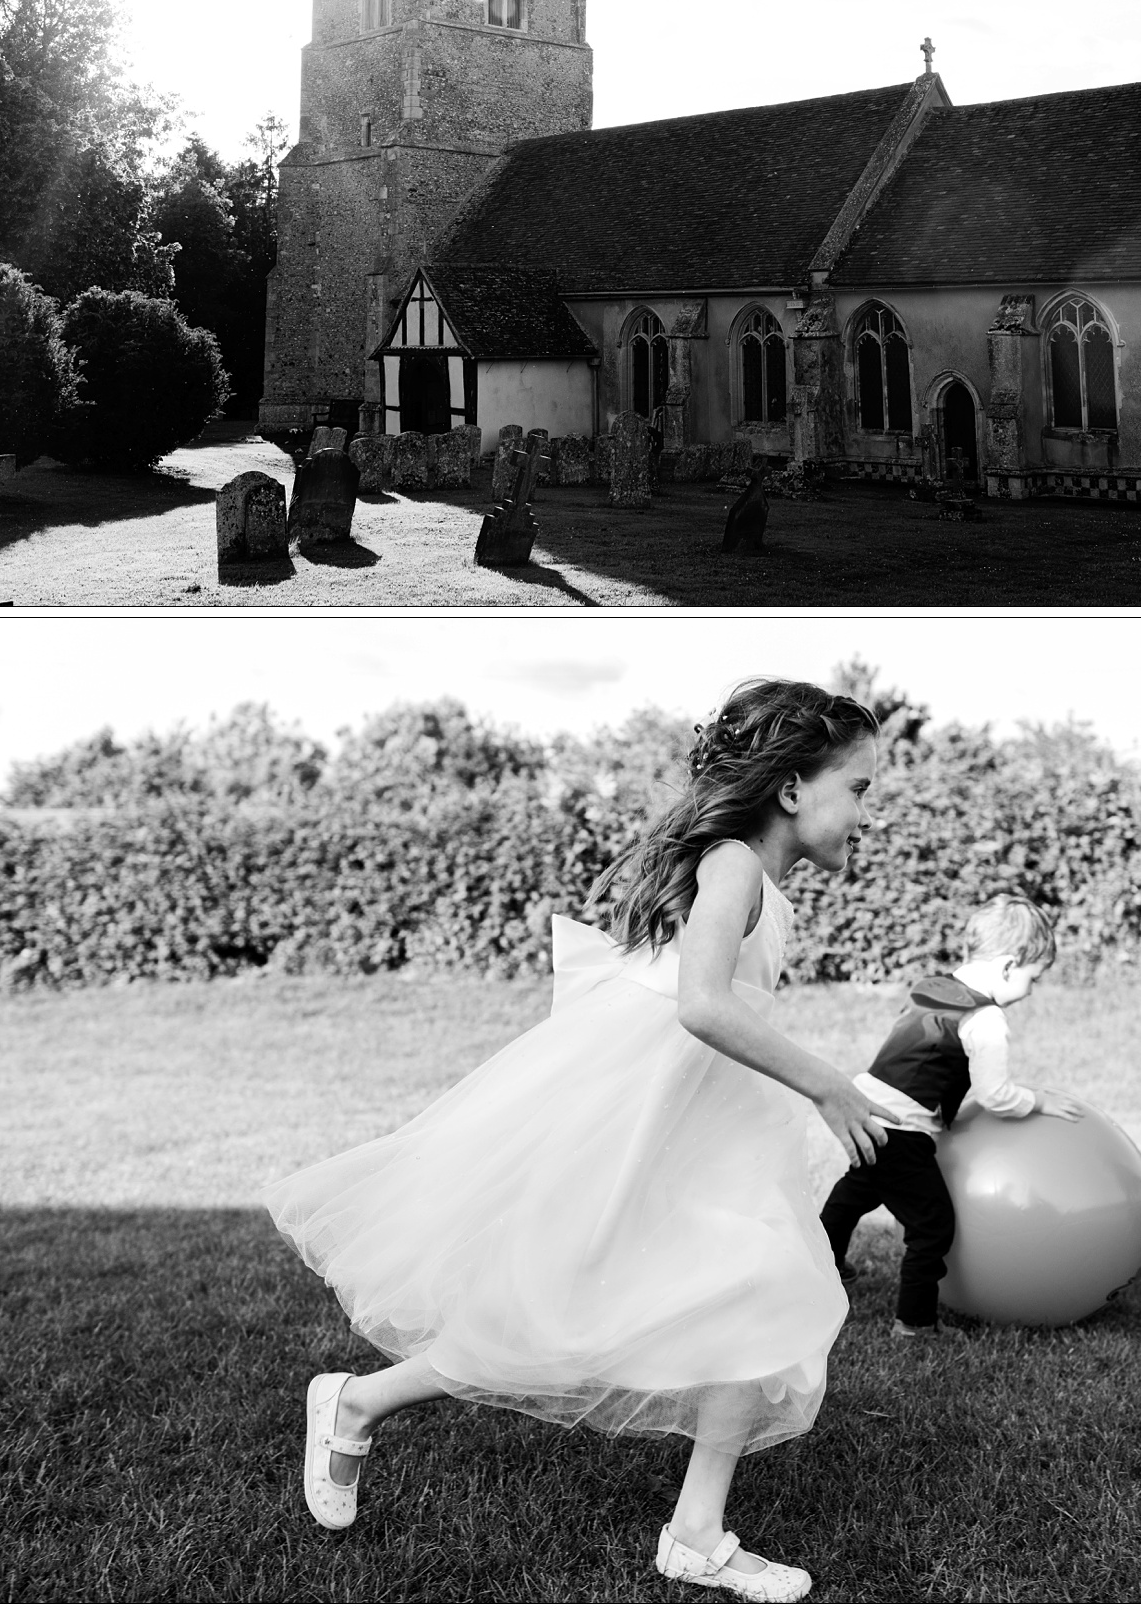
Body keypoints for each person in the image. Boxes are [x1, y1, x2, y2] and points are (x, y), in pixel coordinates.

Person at [264, 678, 894, 1605]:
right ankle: (355, 1401)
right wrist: (828, 1083)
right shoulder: (731, 866)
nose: (867, 814)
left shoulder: (758, 880)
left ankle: (696, 1534)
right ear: (793, 789)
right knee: (553, 1313)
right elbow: (704, 1005)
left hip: (705, 1125)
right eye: (862, 790)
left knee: (763, 1292)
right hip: (640, 1120)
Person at [819, 893, 1081, 1338]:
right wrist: (1038, 1103)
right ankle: (916, 1322)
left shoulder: (933, 987)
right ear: (1008, 965)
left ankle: (821, 1269)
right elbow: (995, 1095)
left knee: (855, 1194)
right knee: (931, 1225)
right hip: (903, 1131)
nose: (1033, 989)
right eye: (1034, 977)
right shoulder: (985, 1018)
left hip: (865, 1109)